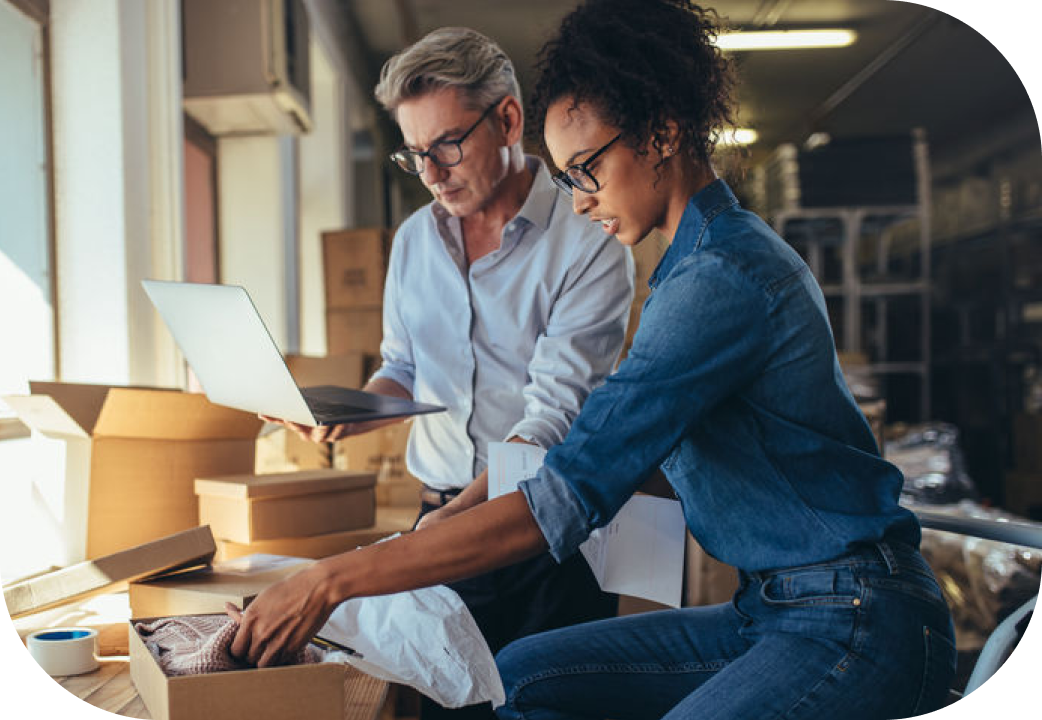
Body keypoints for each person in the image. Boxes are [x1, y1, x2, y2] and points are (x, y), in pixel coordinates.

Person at [232, 2, 957, 718]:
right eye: (567, 176)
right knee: (517, 679)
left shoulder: (719, 280)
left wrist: (331, 581)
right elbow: (594, 449)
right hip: (767, 609)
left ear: (662, 133)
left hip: (856, 617)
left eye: (586, 170)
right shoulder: (688, 268)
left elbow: (569, 487)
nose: (578, 202)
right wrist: (440, 518)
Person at [265, 26, 632, 720]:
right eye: (414, 154)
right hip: (436, 521)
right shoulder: (413, 242)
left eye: (446, 146)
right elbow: (401, 364)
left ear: (509, 120)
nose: (431, 173)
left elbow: (549, 421)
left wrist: (446, 530)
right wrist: (353, 410)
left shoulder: (588, 240)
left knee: (547, 704)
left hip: (543, 536)